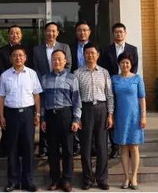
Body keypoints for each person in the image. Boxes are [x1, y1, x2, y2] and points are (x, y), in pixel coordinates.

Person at [0, 45, 42, 192]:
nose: (18, 58)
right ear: (10, 58)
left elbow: (36, 95)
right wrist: (1, 116)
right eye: (15, 55)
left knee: (28, 148)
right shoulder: (5, 75)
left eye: (21, 55)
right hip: (11, 114)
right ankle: (13, 181)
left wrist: (37, 114)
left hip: (28, 114)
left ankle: (28, 181)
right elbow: (1, 97)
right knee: (12, 149)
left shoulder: (31, 74)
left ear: (25, 58)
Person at [40, 50, 81, 192]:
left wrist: (76, 119)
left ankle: (67, 180)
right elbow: (43, 101)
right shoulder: (45, 78)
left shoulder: (72, 78)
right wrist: (43, 118)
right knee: (52, 150)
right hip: (50, 116)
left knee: (68, 150)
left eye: (59, 59)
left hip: (66, 115)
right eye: (54, 59)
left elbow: (76, 101)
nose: (56, 62)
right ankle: (55, 180)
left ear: (65, 61)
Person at [75, 42, 113, 191]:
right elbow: (76, 97)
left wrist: (110, 114)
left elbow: (109, 94)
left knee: (102, 146)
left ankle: (102, 178)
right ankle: (88, 179)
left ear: (98, 55)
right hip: (85, 109)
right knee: (85, 147)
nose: (90, 55)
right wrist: (77, 117)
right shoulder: (77, 73)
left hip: (101, 109)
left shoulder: (104, 72)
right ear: (83, 55)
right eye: (87, 53)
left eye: (93, 53)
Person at [99, 22, 139, 159]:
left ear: (125, 33)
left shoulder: (132, 49)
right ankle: (115, 146)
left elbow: (134, 68)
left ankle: (129, 144)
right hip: (112, 86)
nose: (119, 34)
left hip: (126, 88)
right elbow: (104, 69)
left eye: (121, 32)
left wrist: (126, 82)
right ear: (113, 34)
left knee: (127, 116)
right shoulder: (106, 50)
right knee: (112, 115)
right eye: (116, 32)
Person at [32, 22, 72, 157]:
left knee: (61, 120)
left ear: (58, 33)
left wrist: (59, 79)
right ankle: (43, 146)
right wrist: (43, 81)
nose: (51, 33)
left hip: (61, 87)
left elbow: (68, 65)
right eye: (49, 31)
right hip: (43, 85)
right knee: (44, 114)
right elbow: (35, 68)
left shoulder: (64, 47)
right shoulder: (37, 49)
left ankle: (61, 146)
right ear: (45, 32)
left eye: (54, 31)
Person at [111, 52, 146, 190]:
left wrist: (143, 116)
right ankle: (126, 177)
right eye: (122, 62)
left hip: (135, 117)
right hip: (120, 116)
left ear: (131, 65)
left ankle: (134, 177)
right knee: (124, 147)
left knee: (134, 147)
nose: (125, 65)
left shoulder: (137, 78)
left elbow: (142, 98)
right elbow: (111, 98)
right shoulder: (114, 79)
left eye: (127, 63)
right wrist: (111, 115)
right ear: (119, 64)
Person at [0, 25, 30, 157]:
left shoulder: (28, 50)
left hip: (24, 89)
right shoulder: (0, 51)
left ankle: (21, 150)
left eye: (17, 33)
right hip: (7, 87)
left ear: (21, 35)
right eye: (12, 33)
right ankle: (6, 149)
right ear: (8, 35)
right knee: (7, 124)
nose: (15, 35)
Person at [69, 20, 92, 156]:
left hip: (90, 84)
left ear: (89, 32)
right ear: (76, 32)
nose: (82, 33)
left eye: (85, 30)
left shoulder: (95, 48)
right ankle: (76, 144)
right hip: (74, 83)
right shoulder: (70, 48)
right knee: (76, 113)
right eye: (79, 30)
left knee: (89, 116)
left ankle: (91, 145)